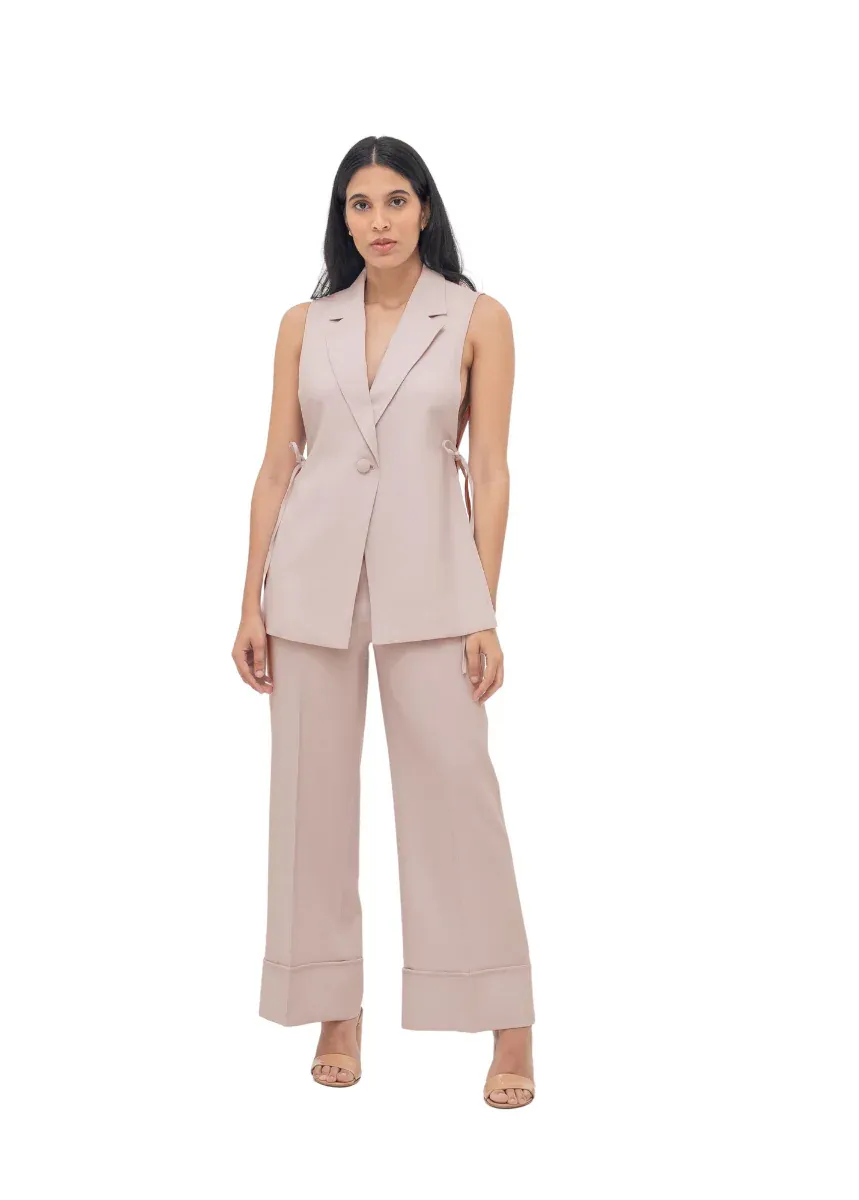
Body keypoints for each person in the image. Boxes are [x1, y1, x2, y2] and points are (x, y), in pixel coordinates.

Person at [232, 136, 536, 1110]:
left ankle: (507, 1017)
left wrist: (484, 605)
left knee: (457, 797)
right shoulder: (304, 324)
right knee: (309, 802)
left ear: (426, 208)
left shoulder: (478, 319)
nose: (379, 221)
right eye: (359, 204)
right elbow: (277, 465)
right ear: (343, 218)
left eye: (396, 200)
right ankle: (334, 1007)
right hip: (310, 579)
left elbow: (491, 472)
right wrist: (250, 601)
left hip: (432, 580)